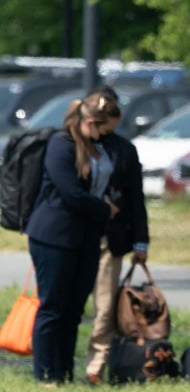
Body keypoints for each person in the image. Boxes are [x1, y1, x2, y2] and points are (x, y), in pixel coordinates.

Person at [26, 93, 120, 386]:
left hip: (86, 237)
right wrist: (106, 209)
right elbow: (70, 193)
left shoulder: (95, 148)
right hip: (54, 236)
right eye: (103, 130)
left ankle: (64, 372)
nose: (107, 136)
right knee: (53, 306)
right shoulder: (60, 145)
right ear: (89, 122)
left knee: (74, 309)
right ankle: (45, 373)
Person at [85, 86, 150, 385]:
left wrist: (141, 240)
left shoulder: (124, 150)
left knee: (105, 306)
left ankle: (96, 365)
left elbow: (136, 198)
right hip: (75, 237)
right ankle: (58, 363)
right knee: (69, 304)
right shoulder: (74, 145)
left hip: (110, 240)